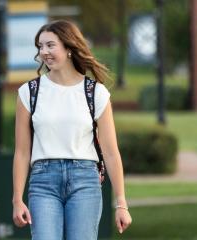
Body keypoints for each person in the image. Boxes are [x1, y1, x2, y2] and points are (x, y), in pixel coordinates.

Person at [10, 20, 133, 239]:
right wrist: (17, 200)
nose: (44, 52)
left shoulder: (95, 93)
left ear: (68, 48)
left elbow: (111, 152)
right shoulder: (29, 92)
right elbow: (21, 152)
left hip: (85, 180)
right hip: (43, 182)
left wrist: (121, 203)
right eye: (40, 46)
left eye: (50, 45)